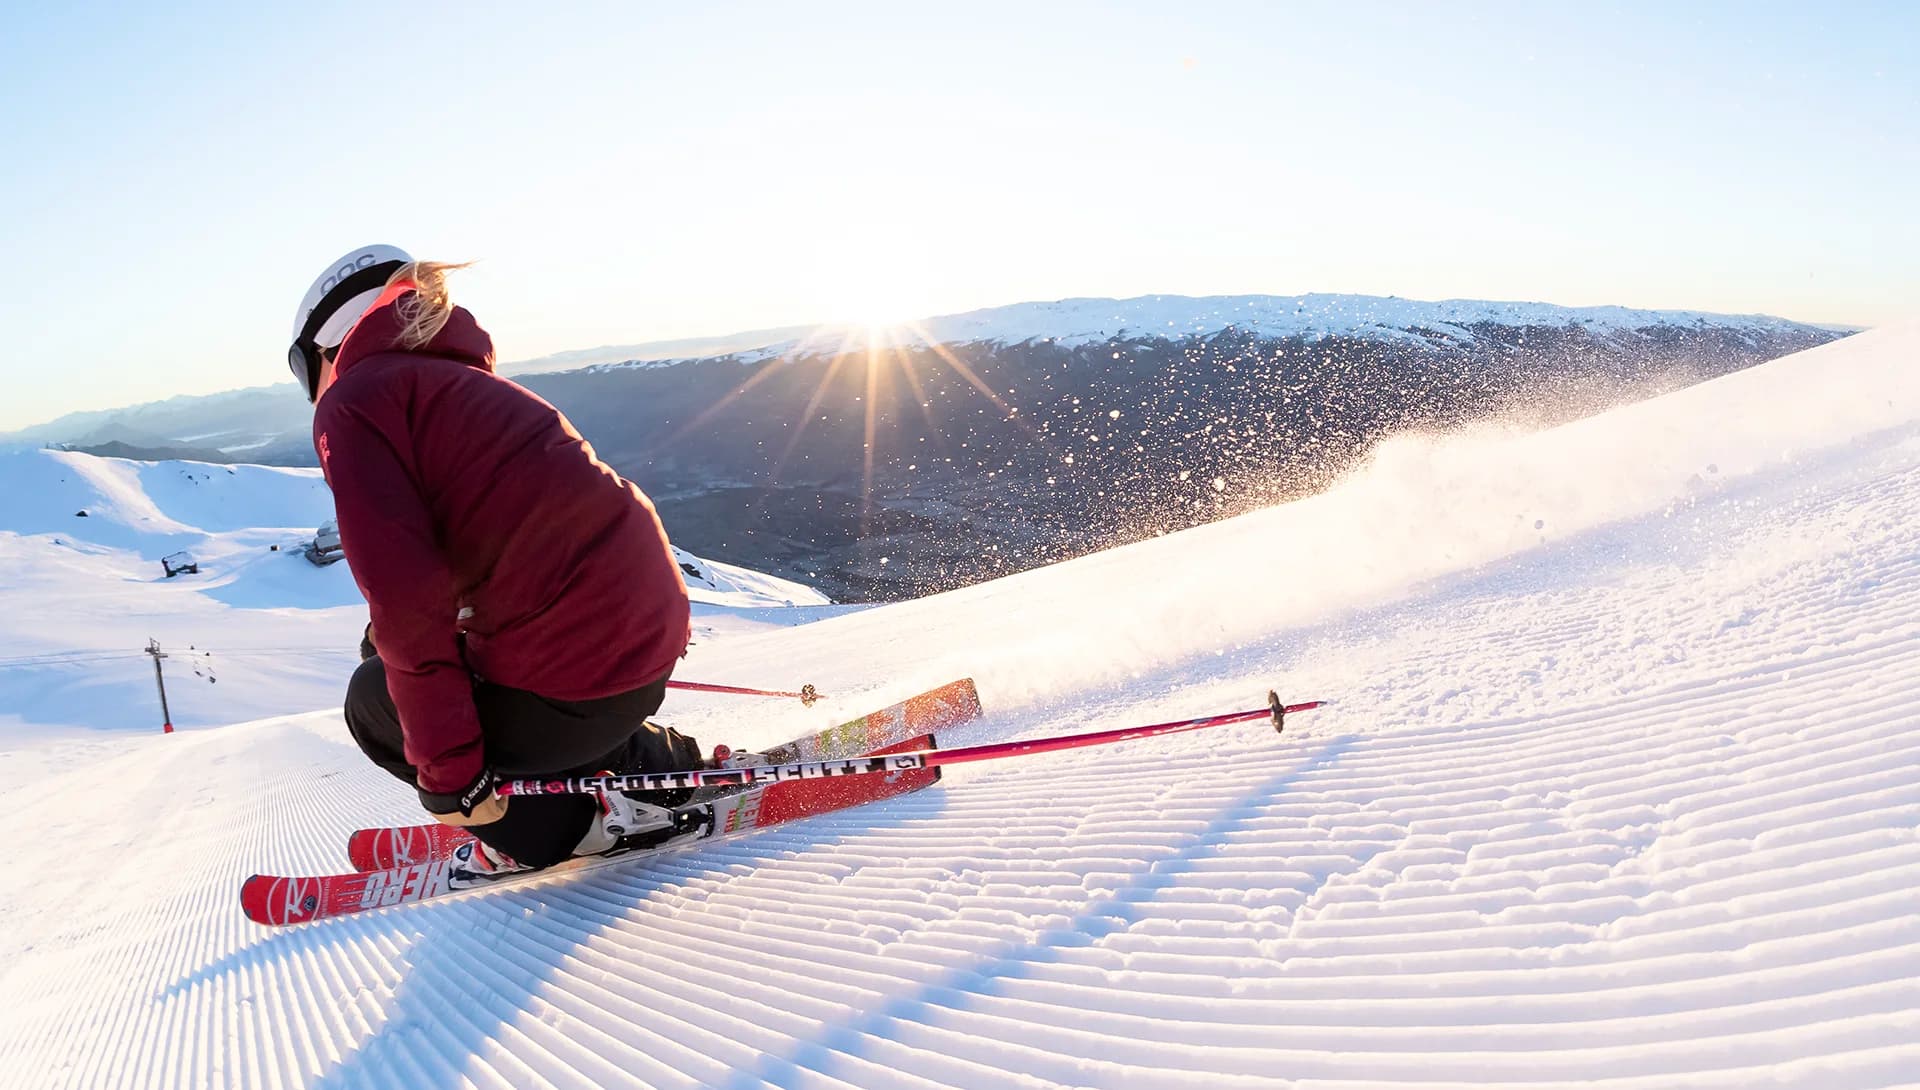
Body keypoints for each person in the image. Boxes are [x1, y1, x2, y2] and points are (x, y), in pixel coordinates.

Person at [288, 244, 703, 875]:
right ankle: (642, 761)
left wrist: (453, 778)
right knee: (387, 653)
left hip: (579, 675)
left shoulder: (355, 403)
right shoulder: (459, 383)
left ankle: (568, 828)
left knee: (376, 703)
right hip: (644, 642)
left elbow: (407, 600)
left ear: (326, 346)